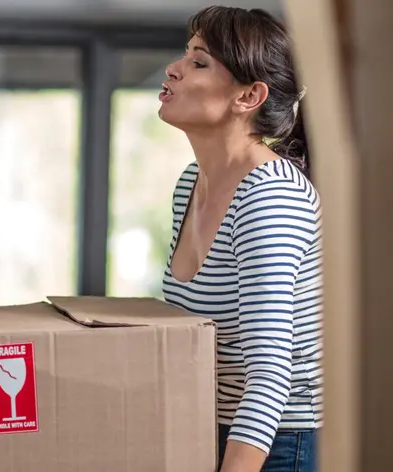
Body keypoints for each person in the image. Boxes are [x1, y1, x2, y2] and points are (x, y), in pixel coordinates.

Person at [159, 6, 322, 472]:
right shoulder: (191, 182)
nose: (174, 68)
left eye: (199, 61)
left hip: (277, 443)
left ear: (249, 95)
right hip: (210, 425)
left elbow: (270, 375)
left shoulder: (270, 197)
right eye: (185, 54)